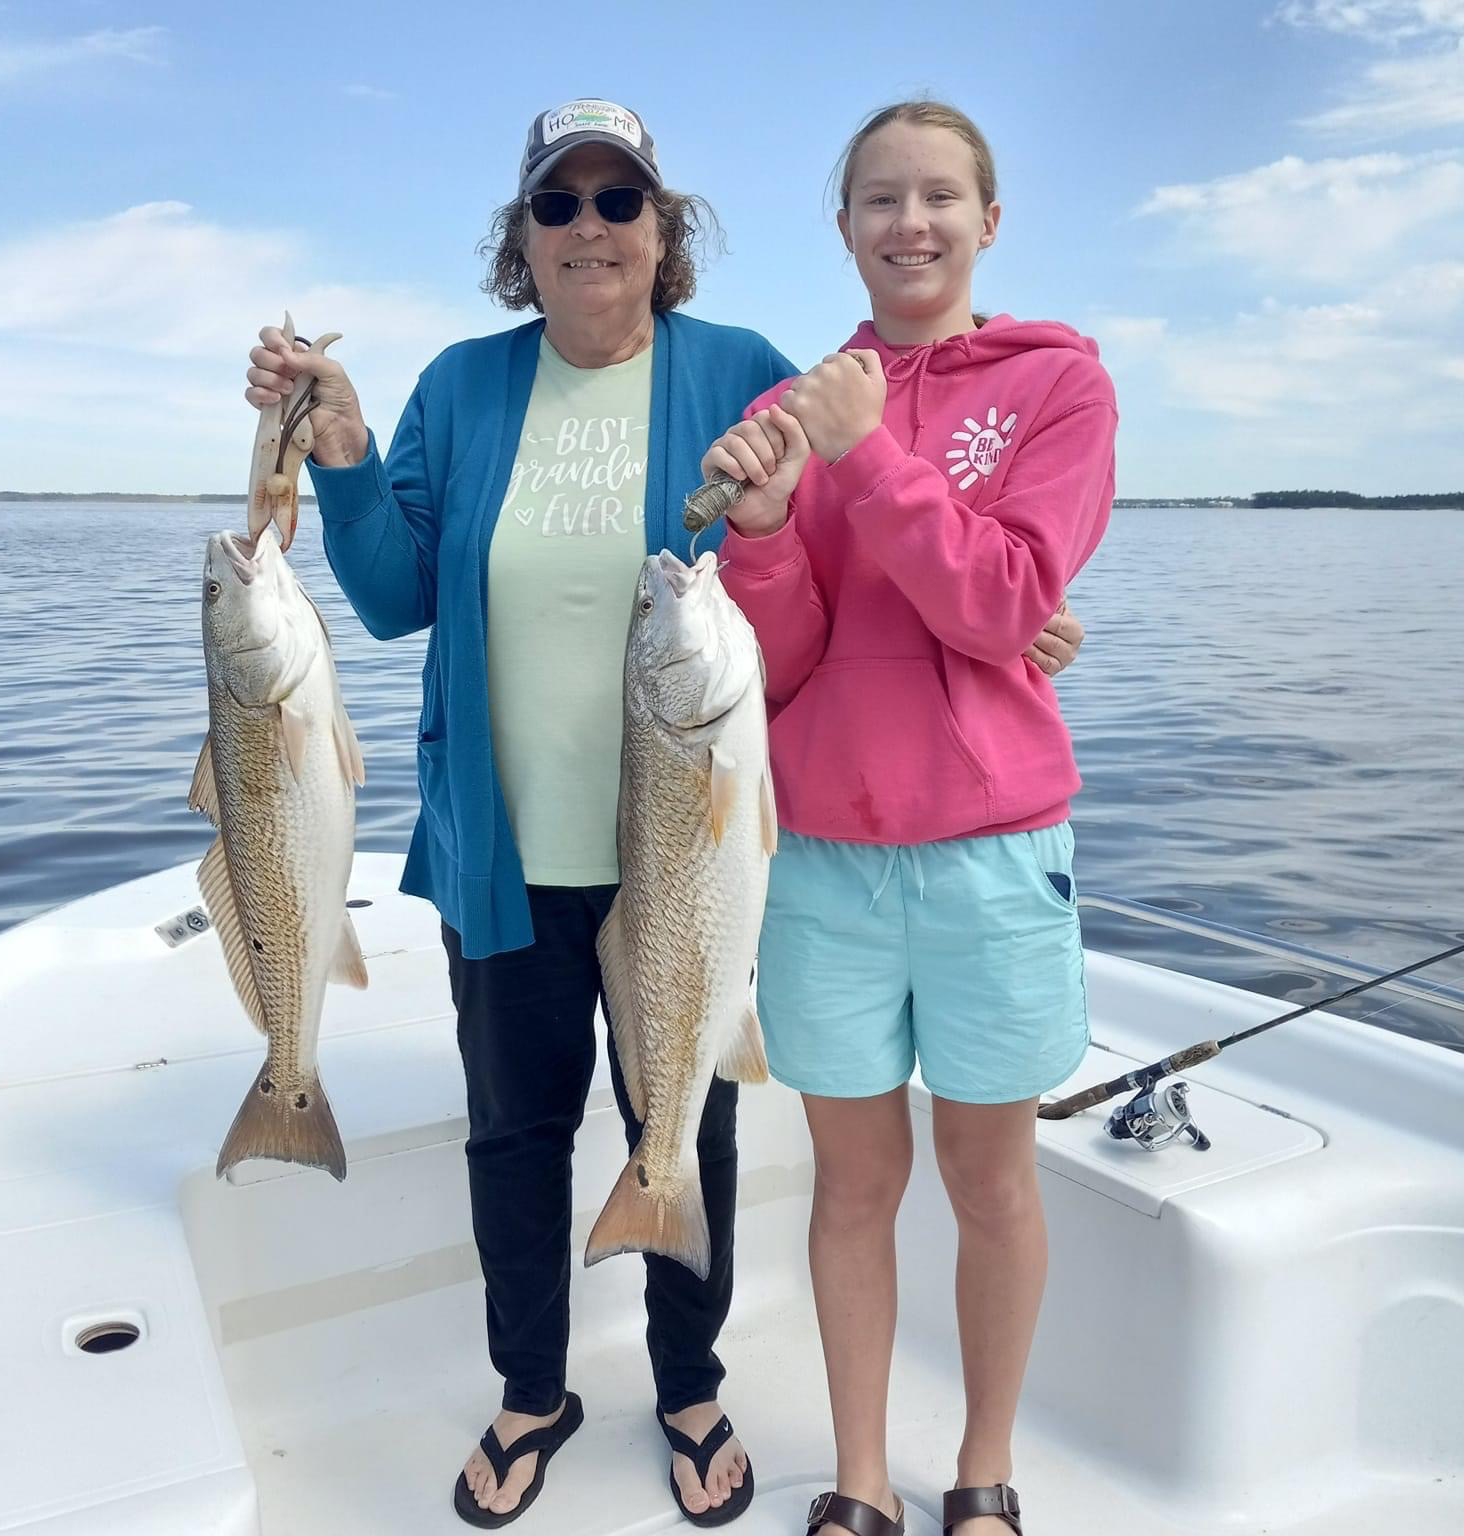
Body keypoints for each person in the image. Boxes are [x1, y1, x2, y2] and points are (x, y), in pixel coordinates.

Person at [245, 98, 1084, 1528]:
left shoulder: (746, 375)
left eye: (618, 202)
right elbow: (391, 600)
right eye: (557, 207)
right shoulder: (461, 387)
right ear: (522, 239)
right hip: (504, 851)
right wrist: (340, 447)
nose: (590, 230)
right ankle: (532, 1390)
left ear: (662, 228)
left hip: (686, 854)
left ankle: (688, 1386)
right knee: (515, 1132)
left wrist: (1027, 625)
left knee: (680, 1119)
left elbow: (861, 559)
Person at [703, 101, 1116, 1536]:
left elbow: (1008, 602)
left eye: (941, 196)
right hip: (823, 858)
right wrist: (759, 542)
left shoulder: (1058, 384)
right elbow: (786, 665)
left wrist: (871, 459)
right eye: (881, 199)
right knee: (851, 1186)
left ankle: (985, 1469)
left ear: (989, 220)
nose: (911, 223)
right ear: (845, 229)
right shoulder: (784, 418)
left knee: (992, 1184)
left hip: (996, 857)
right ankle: (860, 1479)